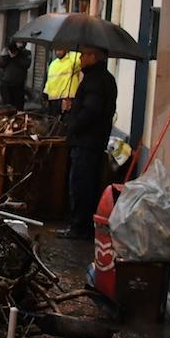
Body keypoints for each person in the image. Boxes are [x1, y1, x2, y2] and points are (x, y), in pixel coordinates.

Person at [56, 44, 117, 240]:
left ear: (94, 57)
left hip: (87, 143)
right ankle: (82, 225)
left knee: (81, 185)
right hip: (91, 141)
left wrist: (72, 125)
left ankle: (79, 227)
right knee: (86, 183)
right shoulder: (100, 79)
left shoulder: (96, 81)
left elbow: (91, 112)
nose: (80, 58)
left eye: (84, 55)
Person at [0, 40, 31, 109]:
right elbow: (0, 64)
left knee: (18, 106)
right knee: (6, 106)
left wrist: (15, 56)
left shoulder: (26, 53)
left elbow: (26, 64)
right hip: (6, 83)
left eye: (21, 42)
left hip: (18, 85)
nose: (19, 44)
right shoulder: (6, 51)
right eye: (18, 42)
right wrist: (8, 56)